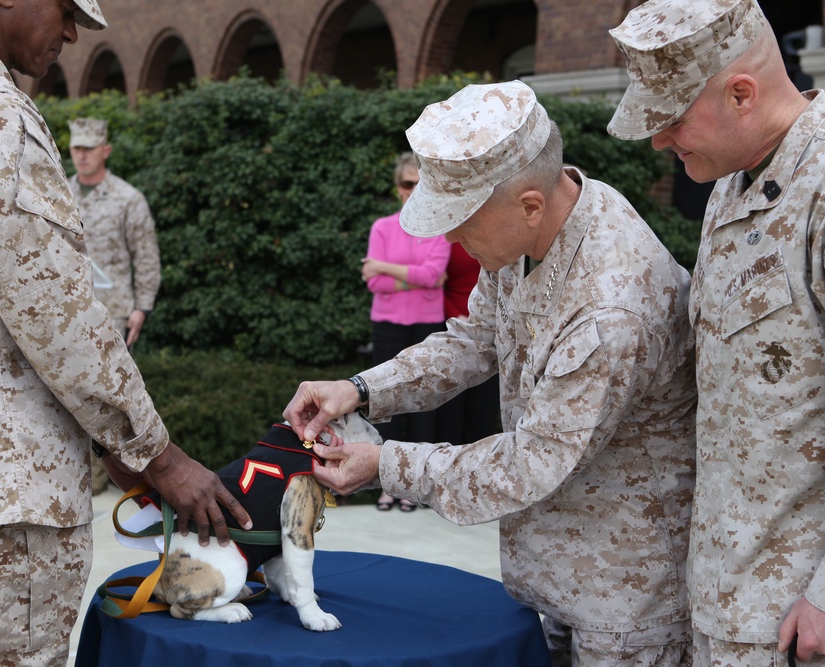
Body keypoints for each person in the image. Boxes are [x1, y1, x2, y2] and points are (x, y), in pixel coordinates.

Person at [285, 80, 698, 666]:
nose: (451, 237)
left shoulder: (611, 308)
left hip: (625, 600)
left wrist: (385, 465)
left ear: (529, 203)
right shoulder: (537, 226)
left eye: (460, 220)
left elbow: (531, 462)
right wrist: (359, 390)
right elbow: (475, 339)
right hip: (557, 568)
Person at [606, 1, 825, 665]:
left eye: (672, 117)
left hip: (808, 614)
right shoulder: (732, 184)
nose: (659, 141)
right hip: (729, 590)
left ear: (741, 92)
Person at [0, 1, 251, 663]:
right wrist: (159, 456)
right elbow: (56, 317)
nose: (70, 31)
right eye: (66, 9)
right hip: (1, 507)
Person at [68, 116, 162, 495]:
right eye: (77, 148)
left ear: (105, 150)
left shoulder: (127, 198)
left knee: (116, 394)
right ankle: (85, 474)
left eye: (89, 148)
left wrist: (143, 307)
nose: (82, 155)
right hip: (70, 312)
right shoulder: (60, 192)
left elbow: (146, 256)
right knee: (73, 391)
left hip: (115, 311)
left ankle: (119, 472)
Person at [363, 151, 451, 512]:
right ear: (397, 188)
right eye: (407, 183)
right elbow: (373, 284)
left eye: (420, 183)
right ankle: (386, 484)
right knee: (386, 403)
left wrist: (386, 267)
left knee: (423, 405)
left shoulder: (439, 227)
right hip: (387, 325)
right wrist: (413, 277)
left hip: (427, 323)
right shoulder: (382, 227)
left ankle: (416, 486)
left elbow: (433, 277)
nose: (413, 190)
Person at [433, 241, 500, 445]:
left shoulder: (499, 244)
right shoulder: (447, 241)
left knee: (483, 409)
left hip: (491, 330)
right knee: (449, 408)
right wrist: (455, 315)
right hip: (456, 325)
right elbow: (435, 284)